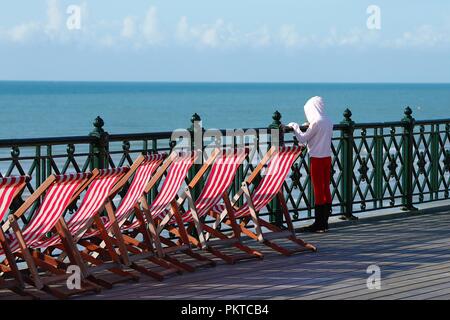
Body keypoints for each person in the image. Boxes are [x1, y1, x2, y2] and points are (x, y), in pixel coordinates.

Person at [286, 96, 333, 233]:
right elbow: (318, 133)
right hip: (327, 157)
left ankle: (318, 223)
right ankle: (325, 221)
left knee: (318, 189)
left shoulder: (316, 122)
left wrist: (294, 126)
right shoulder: (328, 121)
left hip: (316, 159)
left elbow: (302, 139)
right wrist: (309, 126)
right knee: (326, 188)